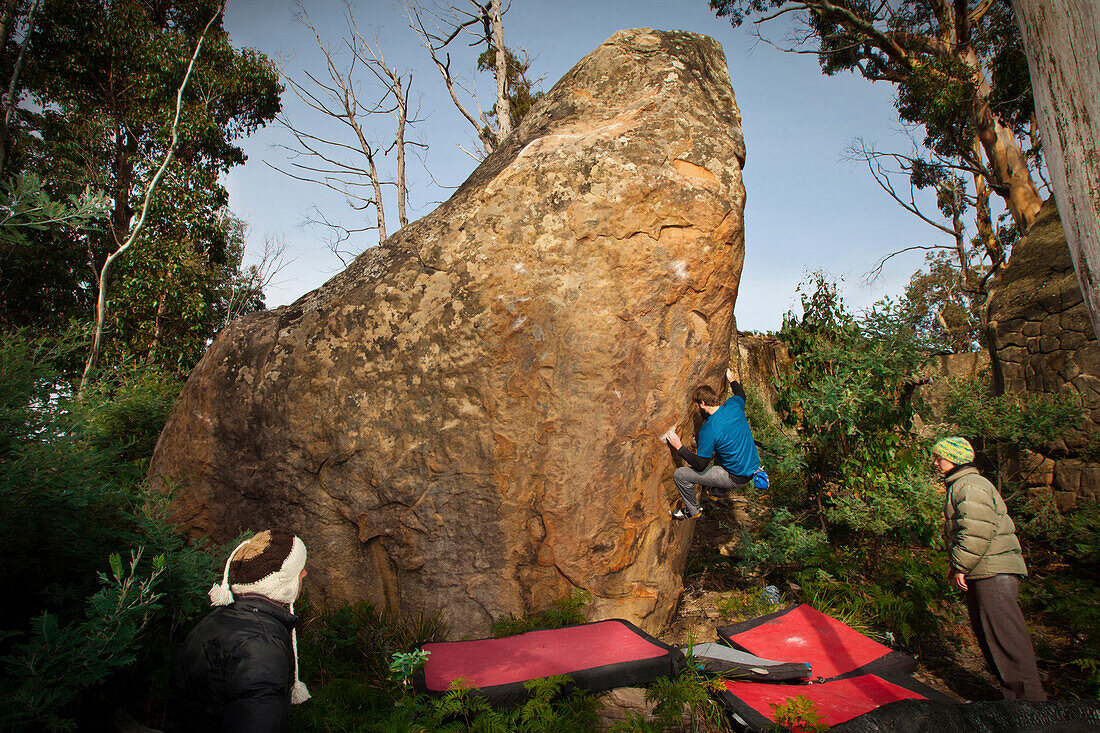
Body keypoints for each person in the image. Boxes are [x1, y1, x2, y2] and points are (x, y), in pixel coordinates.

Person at [932, 437, 1047, 702]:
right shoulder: (963, 484)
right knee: (992, 638)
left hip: (994, 572)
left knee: (1007, 641)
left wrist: (960, 564)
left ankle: (1033, 708)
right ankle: (1015, 703)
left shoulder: (970, 485)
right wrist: (957, 567)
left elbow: (976, 531)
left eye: (940, 457)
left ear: (956, 459)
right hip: (986, 570)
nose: (936, 463)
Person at [167, 529, 311, 732]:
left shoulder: (216, 621)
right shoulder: (261, 646)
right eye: (299, 569)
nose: (305, 573)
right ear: (281, 583)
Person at [664, 368, 760, 520]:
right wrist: (732, 379)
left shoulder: (708, 429)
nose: (697, 410)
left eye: (696, 406)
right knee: (721, 447)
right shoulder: (733, 406)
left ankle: (693, 511)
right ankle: (717, 491)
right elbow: (741, 395)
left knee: (680, 475)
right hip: (751, 466)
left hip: (735, 476)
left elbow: (700, 465)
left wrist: (679, 447)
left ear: (702, 403)